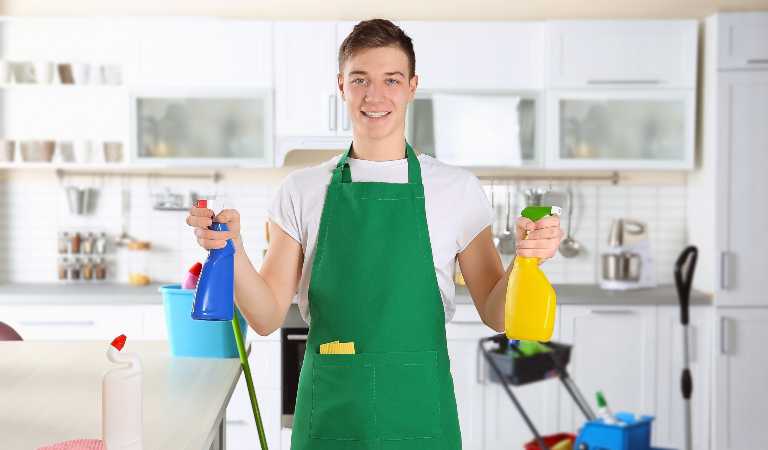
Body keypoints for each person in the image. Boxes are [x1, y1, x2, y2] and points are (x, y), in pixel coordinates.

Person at [186, 19, 562, 450]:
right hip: (332, 417)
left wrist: (526, 259)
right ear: (341, 86)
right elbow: (267, 315)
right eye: (360, 79)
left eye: (392, 80)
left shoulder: (458, 190)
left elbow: (498, 314)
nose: (375, 95)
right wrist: (231, 249)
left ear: (412, 86)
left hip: (419, 416)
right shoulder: (301, 190)